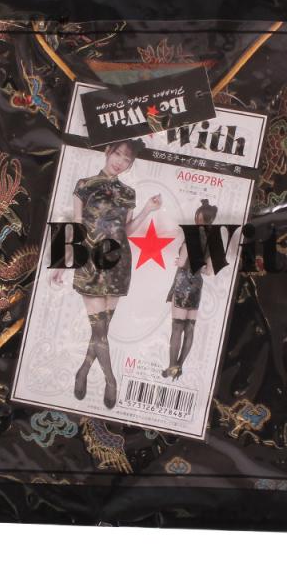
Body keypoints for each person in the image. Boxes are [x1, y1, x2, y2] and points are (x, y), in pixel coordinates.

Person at [53, 139, 161, 408]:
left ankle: (83, 370)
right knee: (99, 329)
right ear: (107, 151)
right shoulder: (84, 185)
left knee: (101, 329)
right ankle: (111, 380)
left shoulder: (129, 193)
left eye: (127, 159)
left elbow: (128, 230)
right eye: (118, 154)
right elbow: (77, 226)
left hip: (118, 262)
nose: (120, 162)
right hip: (90, 262)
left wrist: (147, 210)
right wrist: (63, 261)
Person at [162, 198, 218, 380]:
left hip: (183, 282)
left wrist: (181, 261)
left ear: (198, 217)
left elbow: (183, 261)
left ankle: (172, 367)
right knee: (190, 328)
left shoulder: (191, 235)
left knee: (177, 327)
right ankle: (179, 366)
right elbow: (209, 271)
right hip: (196, 285)